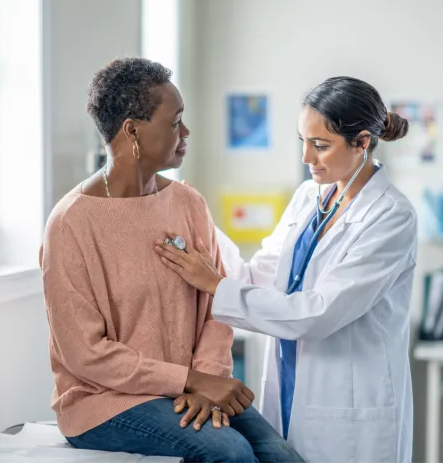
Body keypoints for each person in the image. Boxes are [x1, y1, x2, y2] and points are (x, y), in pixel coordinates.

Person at [41, 57, 303, 463]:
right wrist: (189, 380)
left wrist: (208, 381)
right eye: (174, 121)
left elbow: (215, 306)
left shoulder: (188, 203)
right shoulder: (70, 223)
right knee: (229, 452)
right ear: (132, 130)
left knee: (280, 455)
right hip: (104, 401)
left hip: (189, 388)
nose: (186, 132)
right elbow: (85, 354)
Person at [156, 76, 417, 463]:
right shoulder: (307, 198)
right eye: (304, 142)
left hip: (350, 407)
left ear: (362, 142)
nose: (306, 159)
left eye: (320, 145)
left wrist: (214, 284)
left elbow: (318, 313)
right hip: (291, 390)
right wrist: (201, 222)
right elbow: (257, 276)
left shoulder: (391, 216)